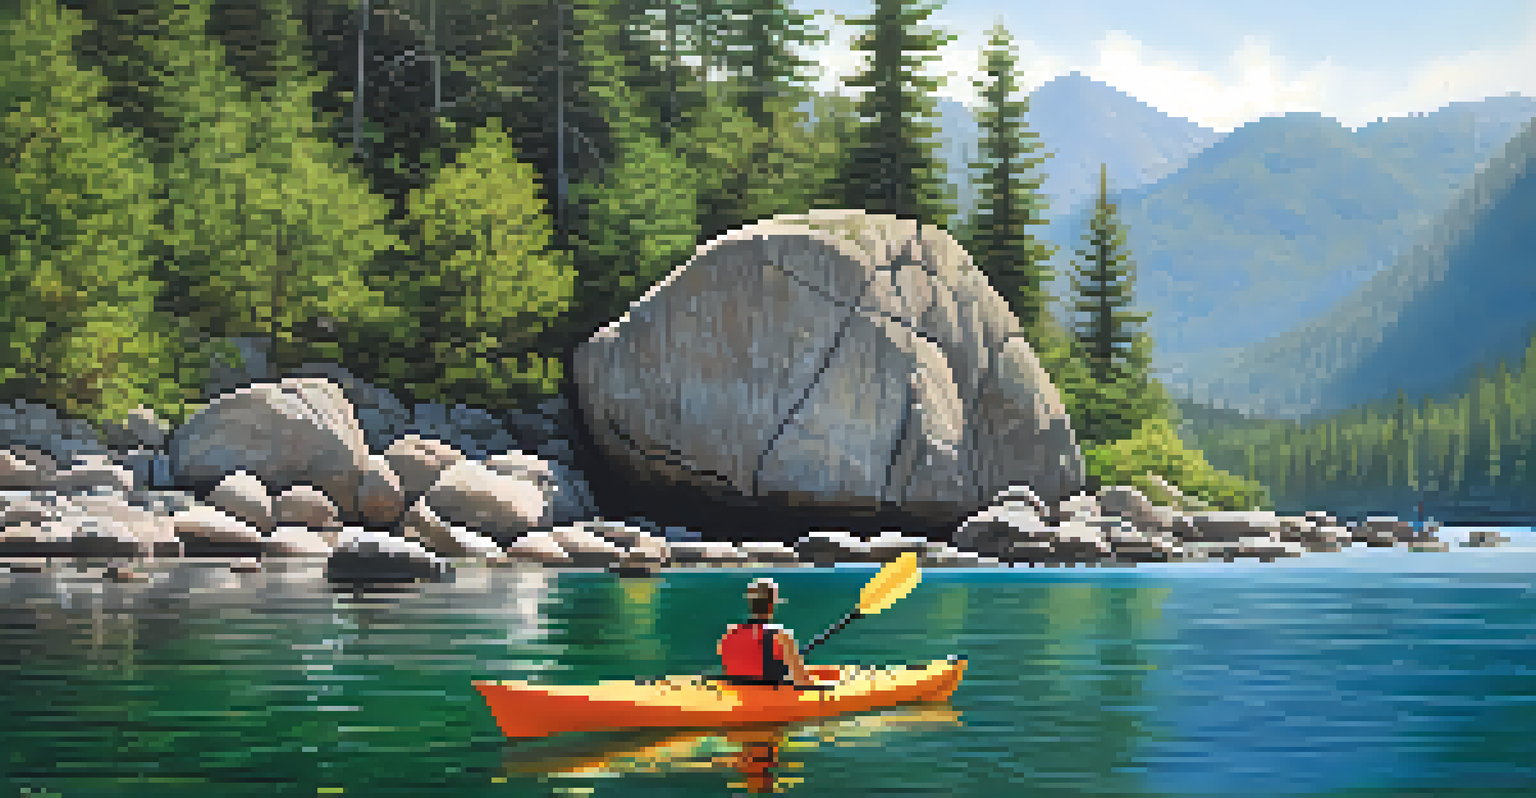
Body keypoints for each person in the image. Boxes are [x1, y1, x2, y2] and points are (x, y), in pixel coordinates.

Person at [716, 578, 819, 688]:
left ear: (750, 604)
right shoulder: (781, 636)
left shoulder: (730, 634)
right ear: (772, 605)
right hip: (772, 700)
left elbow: (729, 671)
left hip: (736, 697)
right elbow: (803, 681)